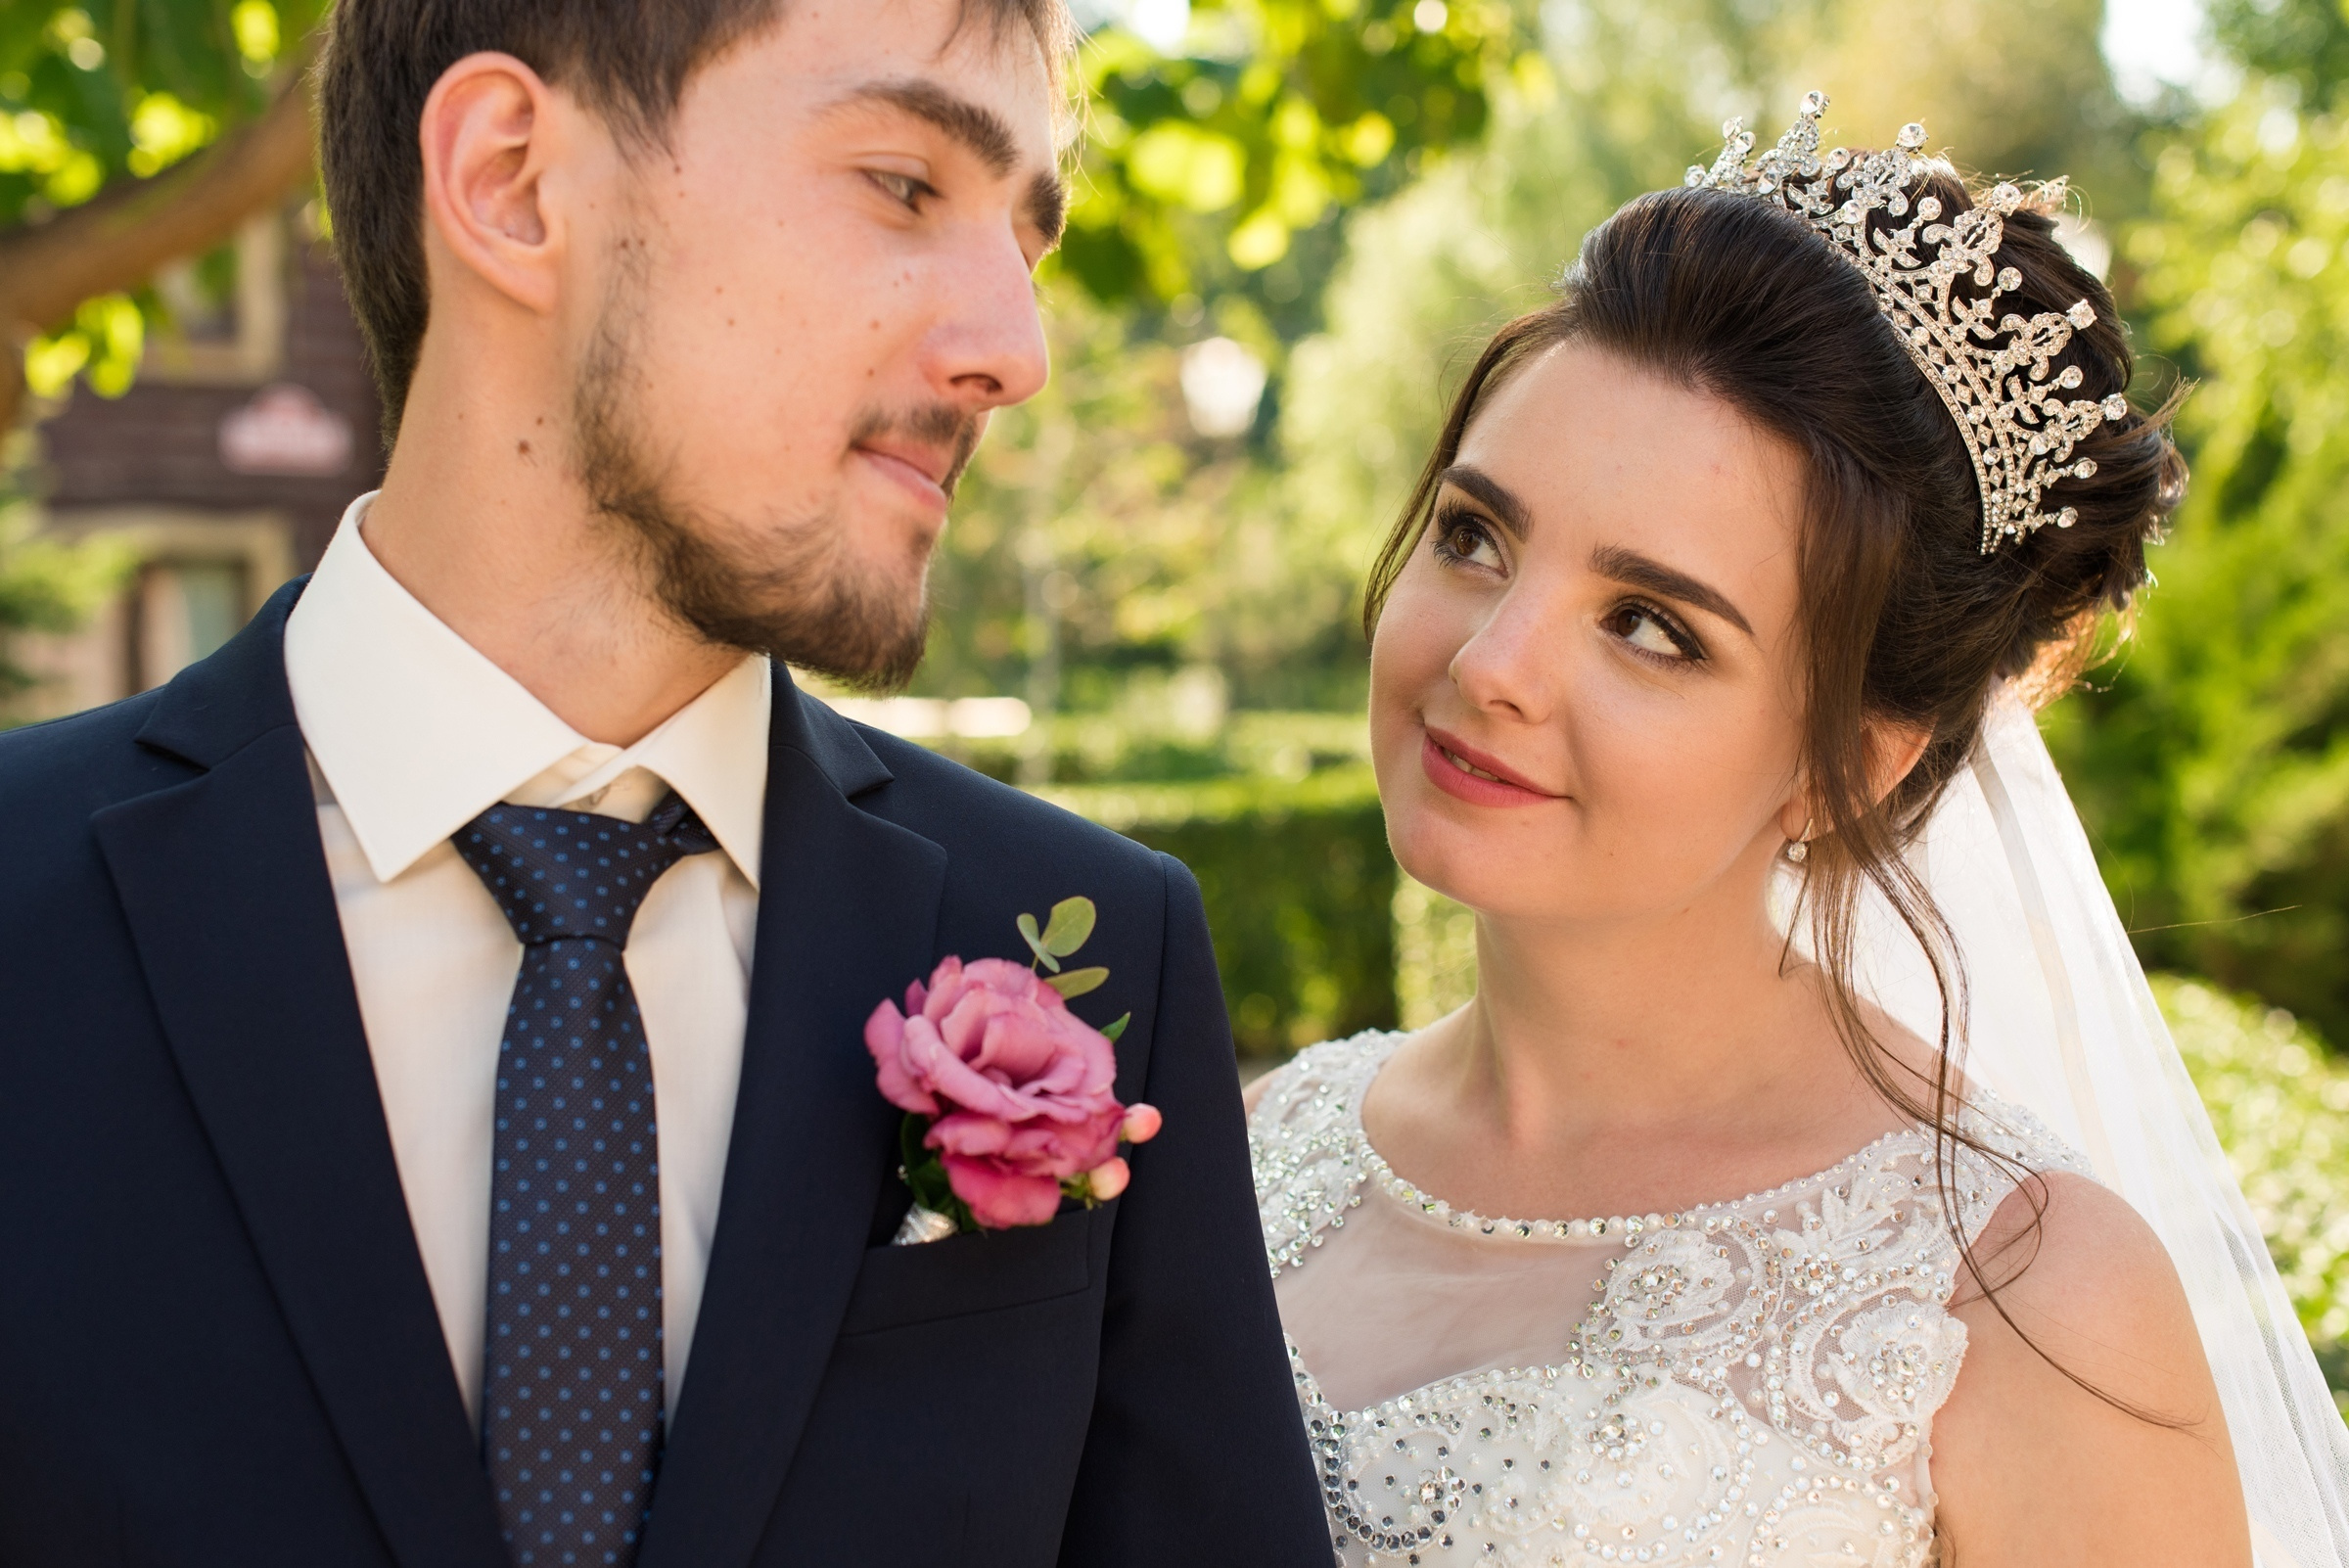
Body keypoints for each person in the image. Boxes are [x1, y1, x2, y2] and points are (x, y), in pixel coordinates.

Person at [0, 2, 1328, 1564]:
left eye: (1026, 245)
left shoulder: (1093, 941)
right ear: (512, 180)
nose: (1015, 354)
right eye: (905, 185)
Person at [1248, 98, 2349, 1566]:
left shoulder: (2020, 1299)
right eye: (1474, 535)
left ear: (1855, 766)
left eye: (1650, 625)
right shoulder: (1268, 1145)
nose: (1491, 662)